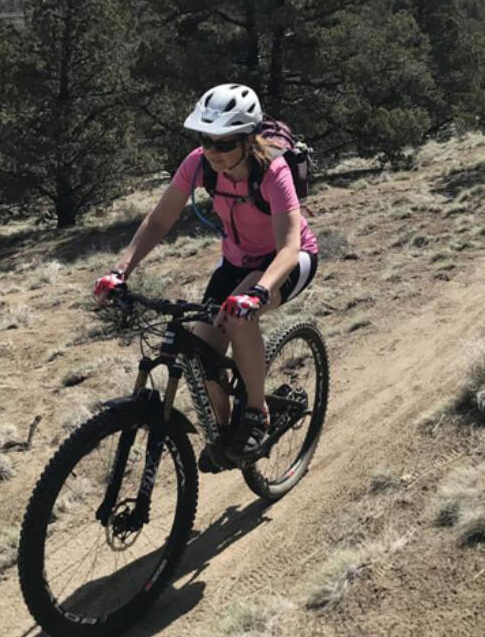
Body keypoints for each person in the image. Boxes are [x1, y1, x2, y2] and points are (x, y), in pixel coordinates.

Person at [93, 83, 319, 467]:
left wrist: (259, 292)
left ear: (248, 140)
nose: (213, 152)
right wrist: (120, 270)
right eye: (205, 140)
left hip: (287, 260)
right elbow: (159, 219)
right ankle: (229, 434)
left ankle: (256, 413)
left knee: (236, 315)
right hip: (235, 262)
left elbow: (288, 247)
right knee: (201, 351)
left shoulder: (272, 172)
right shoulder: (198, 163)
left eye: (225, 143)